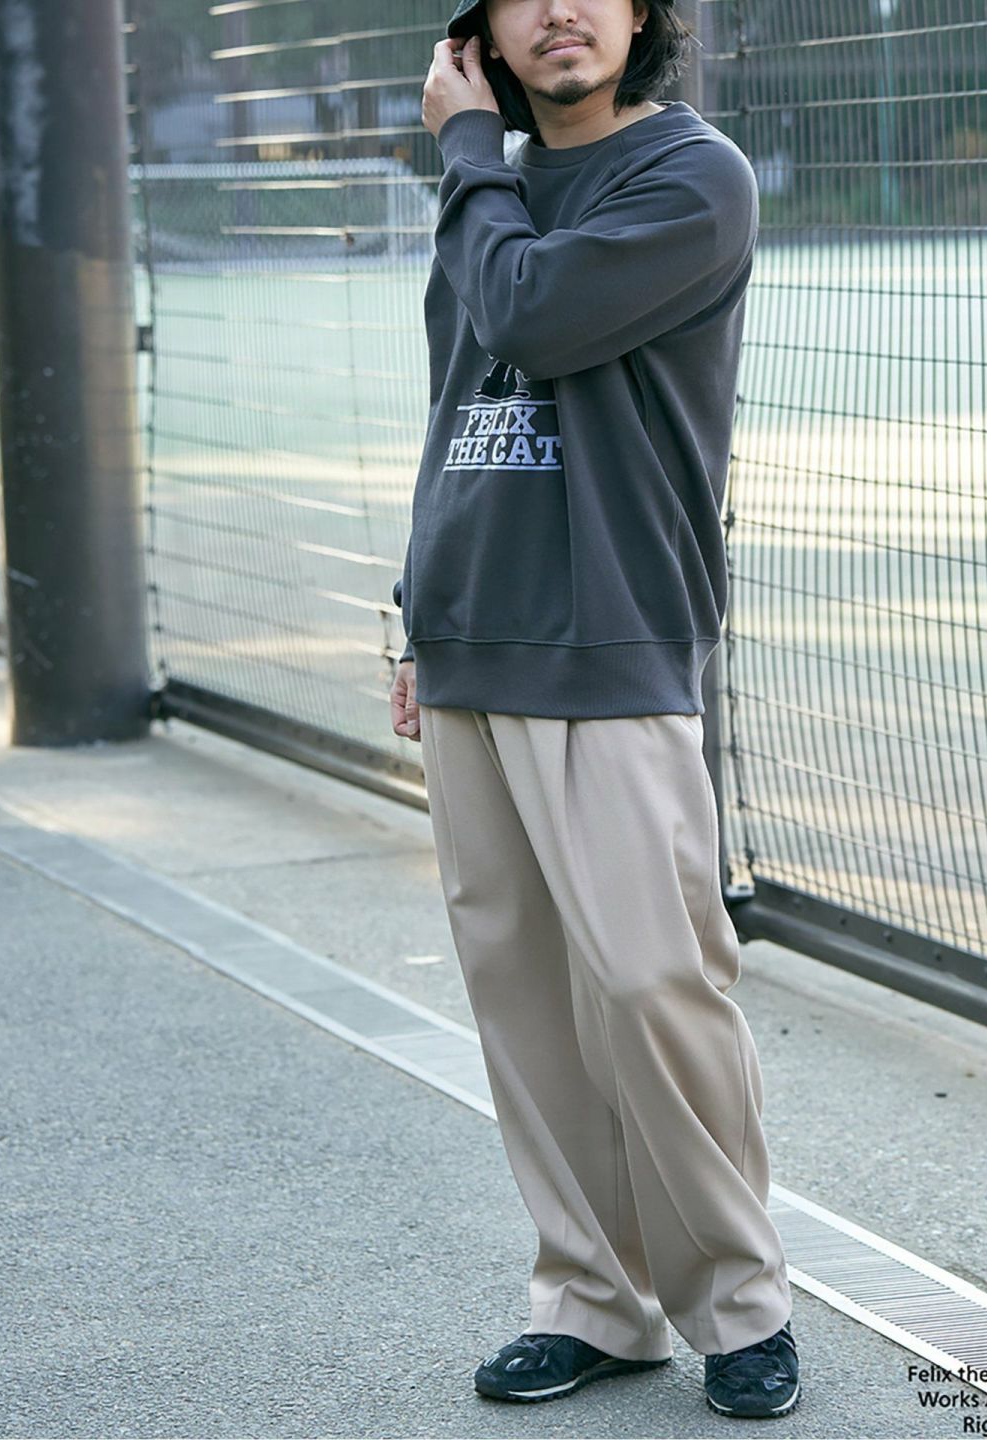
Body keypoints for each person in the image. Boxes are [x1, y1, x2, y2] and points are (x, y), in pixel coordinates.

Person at [387, 0, 801, 1420]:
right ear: (481, 34)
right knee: (523, 1000)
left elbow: (535, 316)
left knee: (651, 984)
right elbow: (459, 399)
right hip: (470, 636)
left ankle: (739, 1305)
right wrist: (416, 606)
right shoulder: (489, 185)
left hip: (612, 639)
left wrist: (466, 150)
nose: (560, 11)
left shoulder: (691, 176)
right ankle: (593, 1300)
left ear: (642, 16)